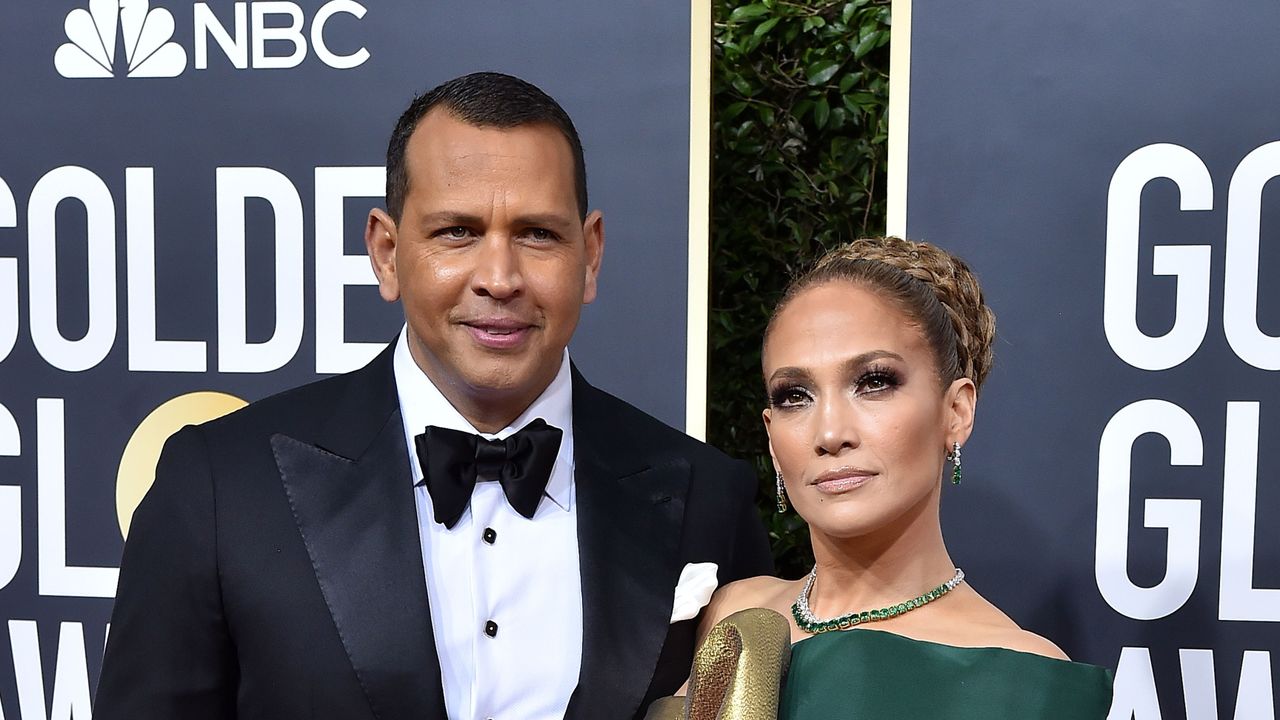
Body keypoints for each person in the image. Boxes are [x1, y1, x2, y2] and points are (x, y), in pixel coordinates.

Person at [94, 72, 772, 720]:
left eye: (538, 234)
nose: (500, 278)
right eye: (458, 232)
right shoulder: (221, 487)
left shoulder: (707, 499)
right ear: (386, 253)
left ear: (589, 256)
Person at [684, 237, 1112, 718]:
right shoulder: (730, 617)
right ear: (770, 435)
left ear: (956, 411)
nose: (829, 433)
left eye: (874, 383)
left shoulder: (1024, 680)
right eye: (794, 396)